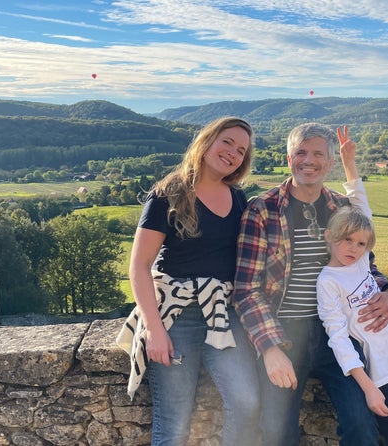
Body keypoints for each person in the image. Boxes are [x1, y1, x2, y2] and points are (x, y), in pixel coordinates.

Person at [233, 123, 388, 446]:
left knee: (362, 427)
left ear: (330, 162)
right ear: (288, 158)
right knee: (277, 434)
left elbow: (365, 267)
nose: (308, 160)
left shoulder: (341, 207)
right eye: (301, 152)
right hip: (282, 331)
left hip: (337, 333)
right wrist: (269, 347)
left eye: (317, 154)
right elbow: (246, 289)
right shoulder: (262, 210)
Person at [116, 117, 261, 446]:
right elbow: (139, 265)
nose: (233, 153)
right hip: (176, 318)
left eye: (241, 150)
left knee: (247, 403)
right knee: (175, 424)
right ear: (207, 140)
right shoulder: (168, 194)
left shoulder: (238, 199)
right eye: (227, 142)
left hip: (224, 316)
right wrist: (154, 329)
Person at [317, 204, 388, 445]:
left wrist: (350, 167)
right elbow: (339, 339)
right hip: (380, 374)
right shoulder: (328, 281)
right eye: (347, 239)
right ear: (329, 236)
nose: (353, 248)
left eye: (361, 243)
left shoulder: (361, 263)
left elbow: (363, 208)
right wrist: (369, 388)